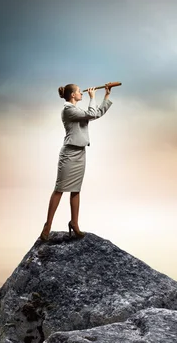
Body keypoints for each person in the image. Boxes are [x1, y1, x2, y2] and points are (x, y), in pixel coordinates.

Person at [39, 83, 114, 241]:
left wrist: (106, 95)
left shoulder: (78, 110)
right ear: (72, 95)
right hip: (69, 154)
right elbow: (92, 113)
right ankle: (47, 226)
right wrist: (93, 98)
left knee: (76, 190)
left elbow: (96, 113)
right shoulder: (68, 110)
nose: (82, 93)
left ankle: (74, 223)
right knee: (59, 189)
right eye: (80, 92)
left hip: (80, 153)